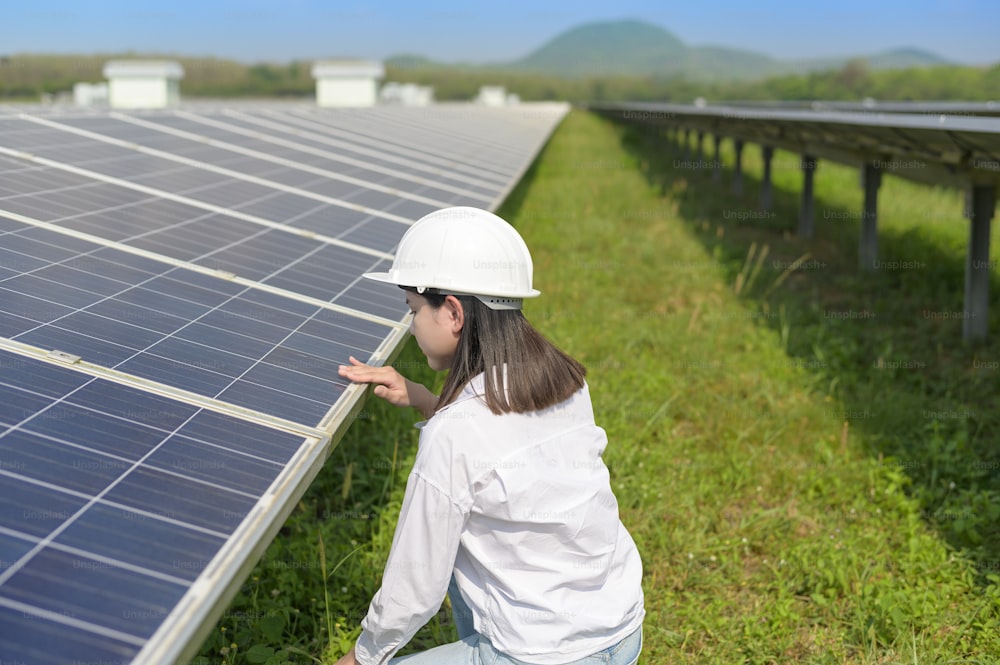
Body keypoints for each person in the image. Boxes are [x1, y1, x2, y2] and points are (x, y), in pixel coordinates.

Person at [335, 206, 644, 665]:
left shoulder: (454, 435)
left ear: (454, 313)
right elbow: (500, 447)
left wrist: (363, 656)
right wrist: (423, 398)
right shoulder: (566, 382)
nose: (412, 325)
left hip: (539, 656)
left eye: (414, 309)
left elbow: (416, 584)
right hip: (621, 632)